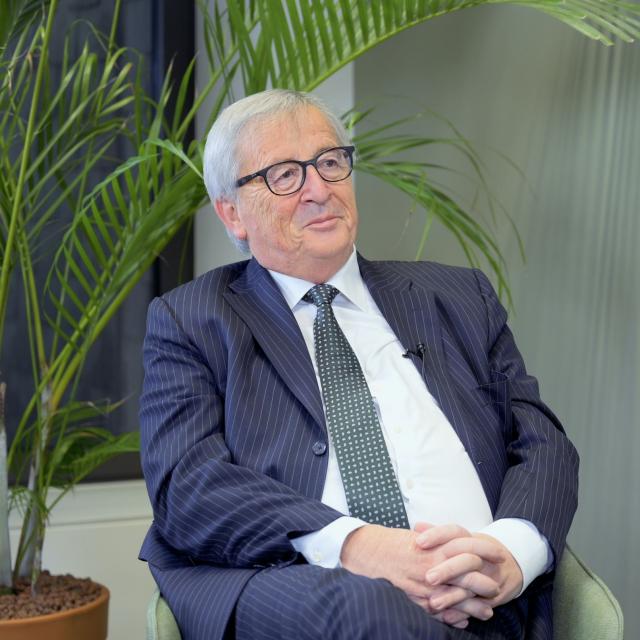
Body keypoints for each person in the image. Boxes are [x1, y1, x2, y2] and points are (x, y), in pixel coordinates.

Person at [139, 89, 579, 640]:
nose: (319, 189)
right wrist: (358, 545)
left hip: (486, 600)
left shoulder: (458, 296)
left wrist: (508, 553)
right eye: (285, 174)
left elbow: (542, 441)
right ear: (233, 212)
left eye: (329, 162)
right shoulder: (191, 320)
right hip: (306, 587)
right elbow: (188, 487)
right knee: (371, 610)